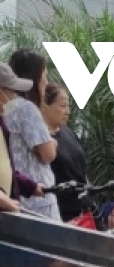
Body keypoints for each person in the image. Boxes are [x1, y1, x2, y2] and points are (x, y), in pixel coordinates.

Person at [6, 49, 58, 219]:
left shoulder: (7, 110)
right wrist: (52, 142)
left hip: (14, 196)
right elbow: (48, 153)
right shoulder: (26, 108)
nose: (46, 81)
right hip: (38, 199)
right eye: (44, 75)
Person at [0, 63, 46, 213]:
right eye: (12, 91)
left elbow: (6, 167)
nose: (15, 97)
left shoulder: (2, 124)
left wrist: (30, 186)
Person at [41, 83, 86, 222]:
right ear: (45, 106)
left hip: (81, 208)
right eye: (63, 106)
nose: (67, 111)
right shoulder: (41, 140)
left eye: (68, 106)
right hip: (57, 212)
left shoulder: (68, 132)